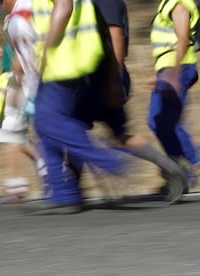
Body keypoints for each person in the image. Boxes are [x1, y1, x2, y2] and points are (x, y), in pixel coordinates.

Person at [72, 0, 187, 203]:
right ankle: (171, 168)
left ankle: (71, 190)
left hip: (103, 75)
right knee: (117, 134)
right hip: (104, 74)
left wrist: (114, 80)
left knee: (72, 128)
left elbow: (115, 34)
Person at [29, 0, 131, 214]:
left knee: (47, 122)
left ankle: (107, 159)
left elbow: (64, 6)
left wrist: (45, 49)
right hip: (66, 59)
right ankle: (63, 194)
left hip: (65, 59)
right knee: (45, 131)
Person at [0, 0, 47, 201]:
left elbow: (30, 50)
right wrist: (2, 51)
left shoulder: (25, 12)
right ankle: (45, 170)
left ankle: (19, 185)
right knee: (12, 133)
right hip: (17, 80)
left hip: (23, 82)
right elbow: (18, 47)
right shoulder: (12, 17)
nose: (0, 6)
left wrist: (16, 78)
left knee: (10, 133)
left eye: (1, 2)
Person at [147, 0, 200, 187]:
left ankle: (193, 160)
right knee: (162, 122)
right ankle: (184, 171)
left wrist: (173, 72)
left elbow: (182, 38)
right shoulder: (168, 3)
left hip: (177, 69)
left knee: (161, 121)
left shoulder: (179, 4)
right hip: (170, 68)